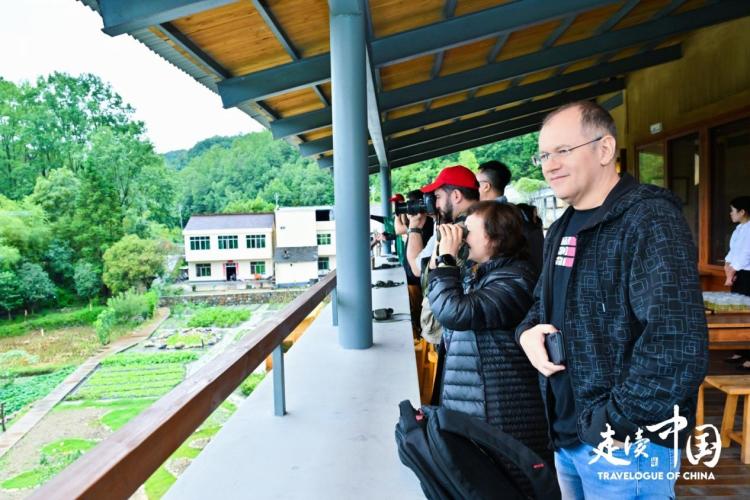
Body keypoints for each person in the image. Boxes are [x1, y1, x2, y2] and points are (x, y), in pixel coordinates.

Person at [516, 100, 708, 499]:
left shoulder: (649, 219)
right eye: (544, 155)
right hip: (568, 434)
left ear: (605, 149)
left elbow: (676, 343)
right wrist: (526, 333)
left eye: (562, 151)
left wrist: (614, 422)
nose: (550, 165)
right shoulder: (562, 227)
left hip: (626, 445)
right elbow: (542, 305)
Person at [426, 202, 550, 477]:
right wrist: (442, 259)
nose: (462, 237)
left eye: (467, 231)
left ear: (495, 238)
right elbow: (440, 298)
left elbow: (454, 312)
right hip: (478, 403)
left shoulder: (516, 279)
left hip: (501, 410)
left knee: (505, 482)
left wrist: (447, 261)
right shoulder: (483, 273)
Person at [476, 161, 544, 274]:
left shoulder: (494, 219)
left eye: (476, 183)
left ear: (486, 186)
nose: (472, 187)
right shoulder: (518, 213)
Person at [722, 196, 750, 368]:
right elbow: (733, 251)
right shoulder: (739, 229)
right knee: (739, 311)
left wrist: (731, 272)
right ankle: (741, 351)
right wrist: (727, 266)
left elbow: (746, 253)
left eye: (733, 210)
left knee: (748, 314)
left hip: (748, 274)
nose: (730, 214)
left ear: (742, 212)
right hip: (738, 273)